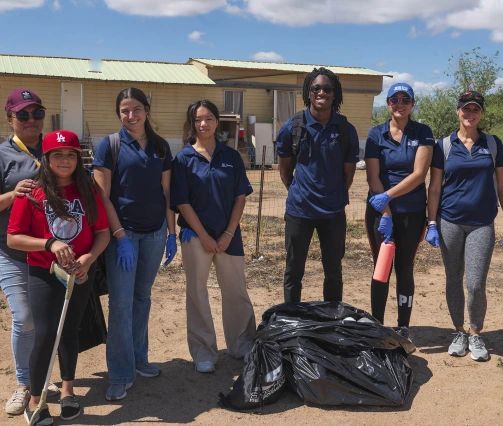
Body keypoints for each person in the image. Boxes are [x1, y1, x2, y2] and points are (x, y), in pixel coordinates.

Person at [7, 130, 110, 425]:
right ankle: (37, 402)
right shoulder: (33, 192)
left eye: (70, 155)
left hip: (80, 271)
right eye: (57, 155)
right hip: (44, 271)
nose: (64, 160)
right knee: (44, 334)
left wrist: (89, 259)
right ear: (47, 158)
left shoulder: (88, 190)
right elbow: (14, 238)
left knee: (70, 331)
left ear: (78, 158)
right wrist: (49, 244)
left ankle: (68, 391)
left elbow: (101, 231)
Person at [92, 87, 176, 401]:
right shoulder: (110, 145)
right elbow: (102, 196)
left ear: (147, 110)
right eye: (125, 110)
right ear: (119, 113)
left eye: (136, 109)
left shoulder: (160, 146)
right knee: (121, 305)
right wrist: (119, 237)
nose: (131, 115)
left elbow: (167, 193)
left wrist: (171, 233)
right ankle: (120, 372)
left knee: (142, 299)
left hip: (155, 234)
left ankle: (140, 359)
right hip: (122, 237)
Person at [426, 90, 503, 362]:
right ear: (458, 111)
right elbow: (435, 188)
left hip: (481, 224)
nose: (470, 114)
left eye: (475, 109)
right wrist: (431, 221)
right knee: (453, 279)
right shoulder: (444, 146)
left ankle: (476, 333)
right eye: (465, 109)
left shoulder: (492, 144)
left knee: (475, 284)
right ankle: (459, 331)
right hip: (449, 221)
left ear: (481, 114)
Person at [170, 100, 255, 374]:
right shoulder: (183, 159)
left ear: (217, 121)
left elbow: (240, 196)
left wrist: (229, 232)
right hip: (196, 237)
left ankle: (242, 345)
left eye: (208, 118)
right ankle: (204, 351)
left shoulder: (231, 156)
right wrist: (204, 236)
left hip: (230, 237)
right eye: (197, 120)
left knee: (236, 293)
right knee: (197, 294)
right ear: (191, 124)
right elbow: (182, 202)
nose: (203, 124)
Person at [0, 88, 61, 416]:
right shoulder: (2, 155)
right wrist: (12, 194)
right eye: (22, 115)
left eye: (37, 114)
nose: (31, 120)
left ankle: (41, 378)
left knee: (47, 320)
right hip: (12, 251)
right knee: (24, 320)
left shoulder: (55, 148)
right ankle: (24, 384)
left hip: (52, 252)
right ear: (10, 118)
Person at [276, 67, 359, 303]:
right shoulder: (293, 127)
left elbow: (348, 175)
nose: (322, 92)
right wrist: (298, 192)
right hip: (299, 211)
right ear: (308, 93)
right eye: (316, 88)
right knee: (294, 271)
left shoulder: (345, 130)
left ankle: (331, 321)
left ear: (335, 94)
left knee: (333, 272)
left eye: (327, 88)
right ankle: (292, 320)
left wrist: (332, 195)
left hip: (333, 212)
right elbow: (284, 171)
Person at [364, 83, 434, 336]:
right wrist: (385, 212)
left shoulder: (423, 133)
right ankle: (376, 325)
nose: (400, 104)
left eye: (406, 100)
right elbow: (373, 176)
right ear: (388, 104)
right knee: (381, 267)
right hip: (380, 214)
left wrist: (389, 197)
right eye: (395, 100)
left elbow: (419, 174)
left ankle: (403, 326)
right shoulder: (376, 134)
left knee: (404, 269)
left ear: (413, 104)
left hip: (412, 212)